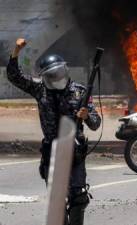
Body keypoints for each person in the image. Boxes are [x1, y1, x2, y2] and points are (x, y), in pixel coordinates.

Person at [7, 38, 101, 225]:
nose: (57, 78)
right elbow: (14, 76)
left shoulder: (80, 92)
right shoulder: (40, 89)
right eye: (52, 75)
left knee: (78, 197)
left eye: (59, 73)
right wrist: (16, 51)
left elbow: (96, 123)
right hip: (52, 150)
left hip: (74, 149)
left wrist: (86, 116)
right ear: (45, 77)